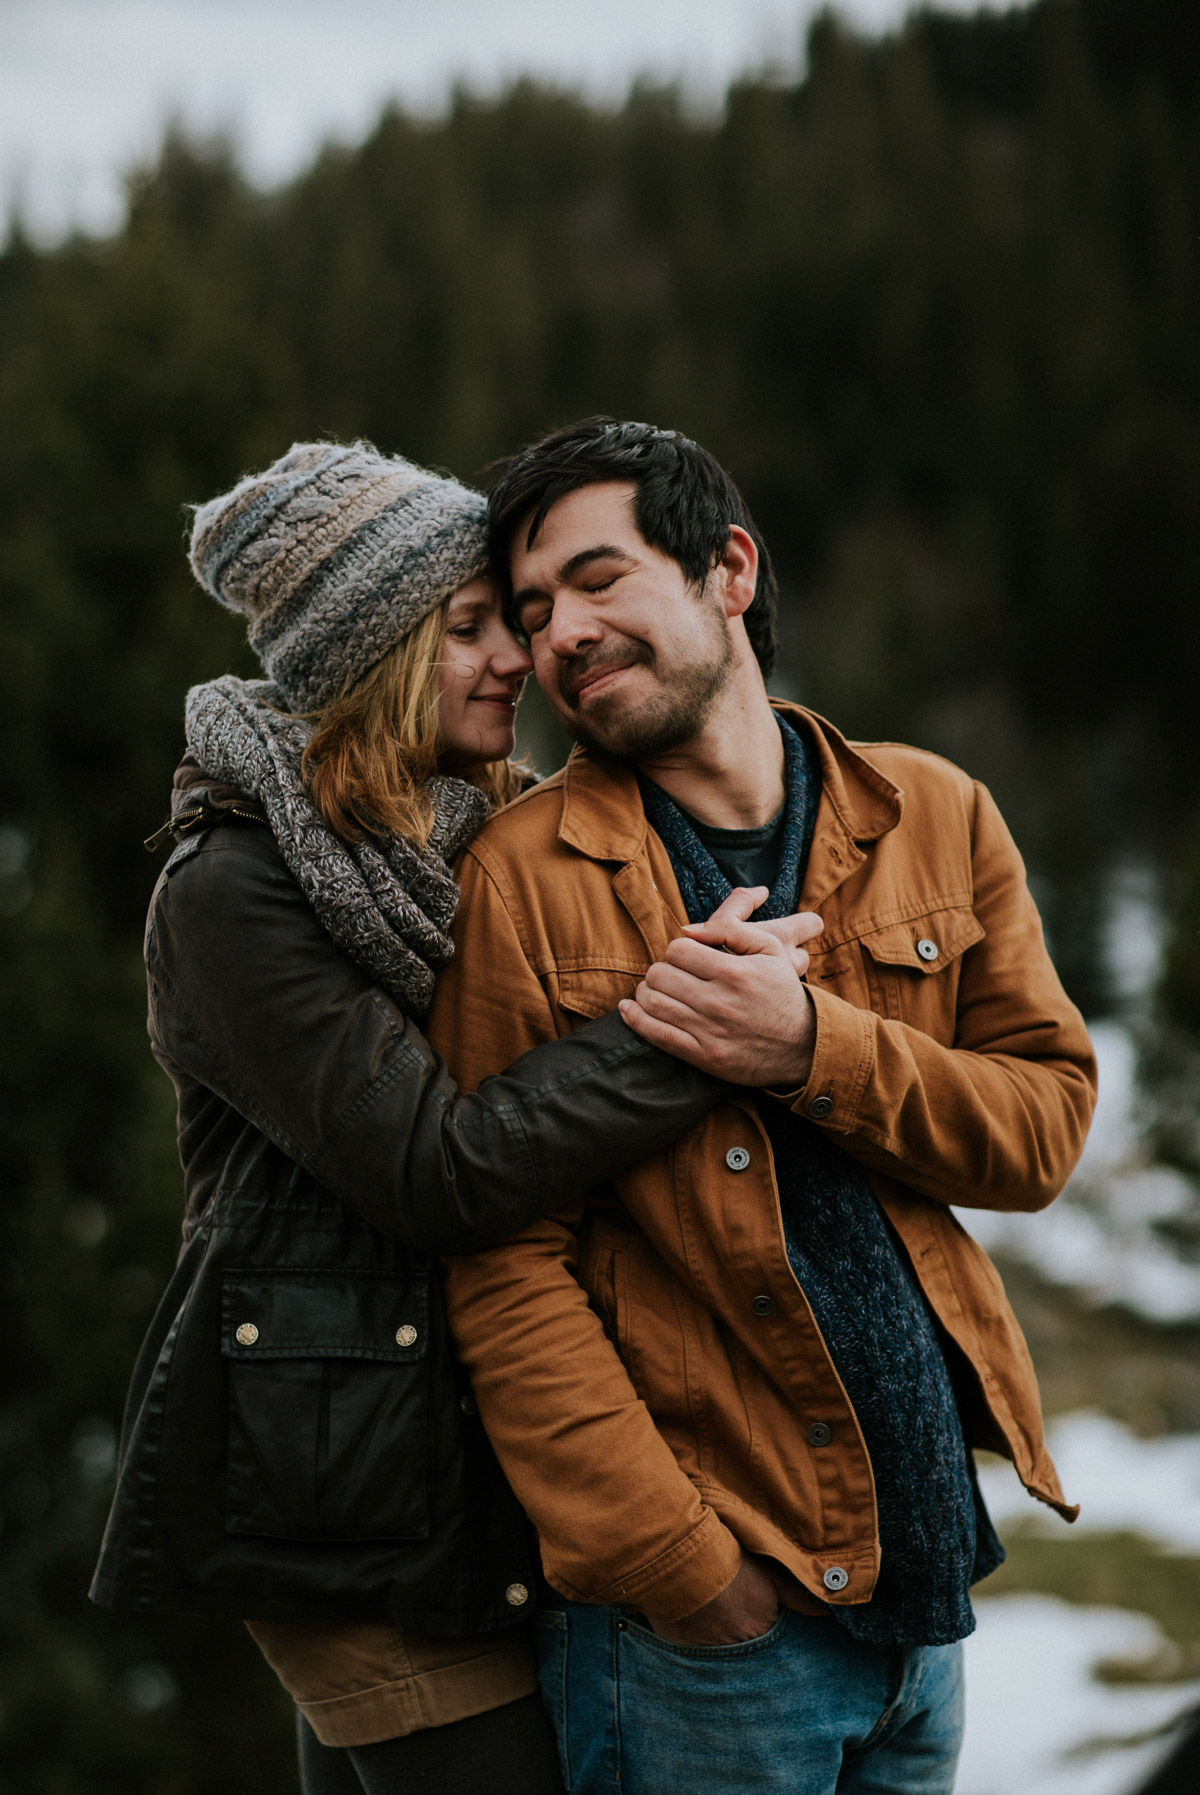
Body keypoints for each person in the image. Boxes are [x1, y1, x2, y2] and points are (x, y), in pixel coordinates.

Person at [90, 440, 814, 1795]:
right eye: (468, 628)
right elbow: (443, 1168)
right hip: (347, 1486)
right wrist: (692, 1027)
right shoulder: (234, 891)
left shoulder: (463, 832)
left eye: (517, 622)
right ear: (372, 655)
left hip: (453, 1468)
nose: (514, 659)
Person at [423, 418, 1100, 1795]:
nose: (561, 634)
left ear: (728, 569)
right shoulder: (519, 875)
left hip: (929, 1595)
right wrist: (679, 1568)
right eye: (536, 609)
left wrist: (814, 1050)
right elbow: (502, 1257)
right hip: (706, 1644)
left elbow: (1044, 1128)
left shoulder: (935, 812)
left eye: (600, 579)